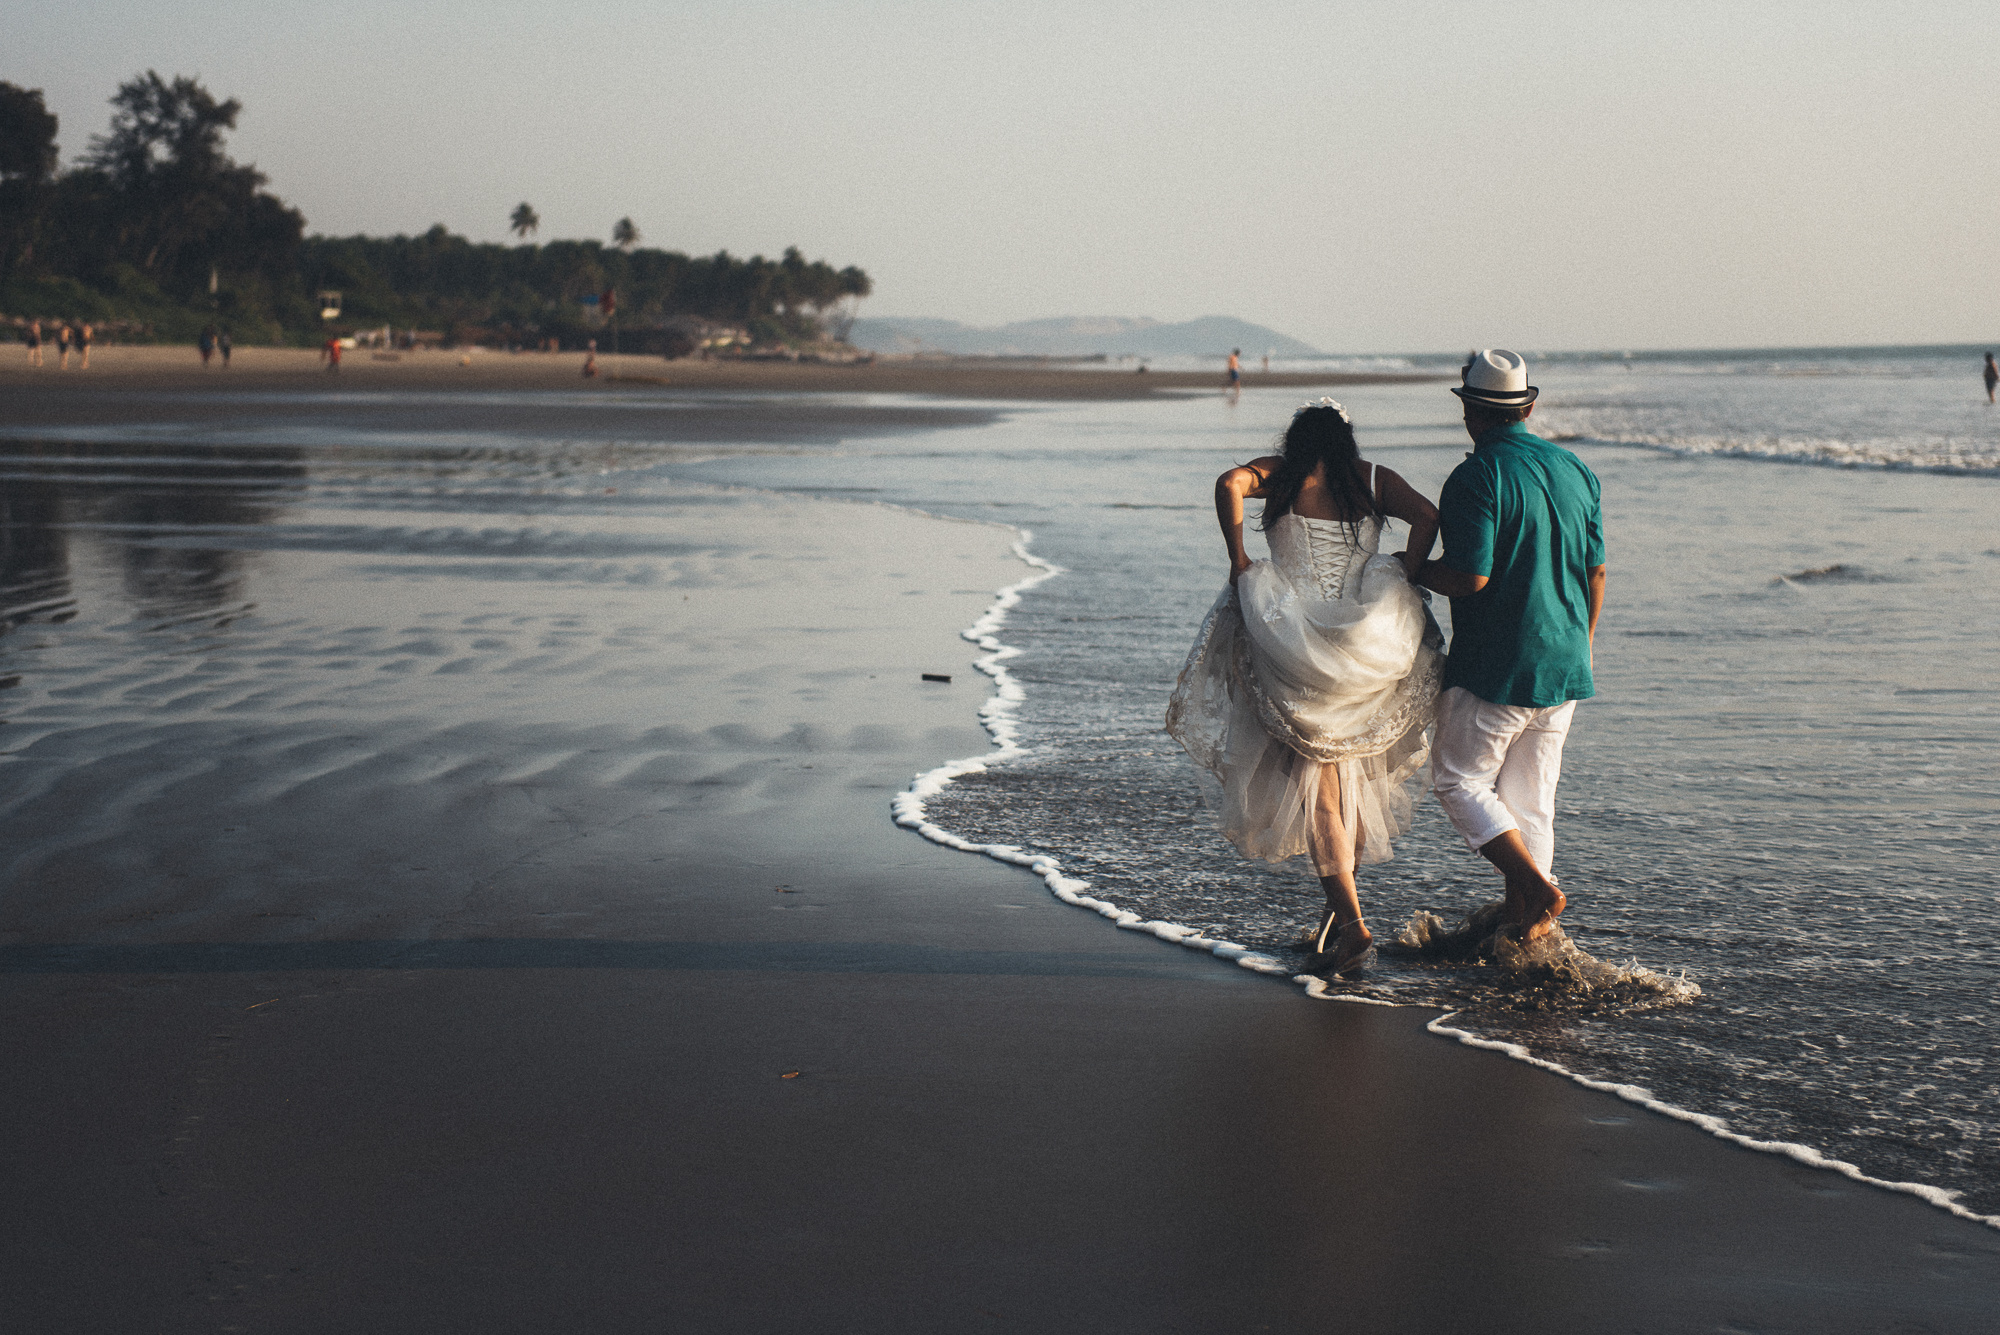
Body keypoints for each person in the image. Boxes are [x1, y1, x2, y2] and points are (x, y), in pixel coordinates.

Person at [1168, 400, 1445, 975]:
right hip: (1362, 643)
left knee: (1318, 789)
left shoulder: (1283, 475)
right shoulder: (1371, 479)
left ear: (1297, 438)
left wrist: (1239, 556)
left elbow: (1228, 483)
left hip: (1292, 640)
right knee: (1343, 781)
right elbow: (1427, 515)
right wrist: (1408, 573)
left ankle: (1351, 926)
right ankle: (1336, 920)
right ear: (1346, 438)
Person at [1413, 349, 1606, 943]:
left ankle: (1535, 890)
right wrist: (1580, 644)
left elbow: (1470, 577)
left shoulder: (1477, 476)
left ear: (1470, 411)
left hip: (1498, 661)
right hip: (1567, 657)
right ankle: (1530, 928)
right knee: (1531, 799)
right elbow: (1596, 572)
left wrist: (1412, 570)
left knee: (1458, 781)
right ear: (1529, 406)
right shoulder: (1576, 468)